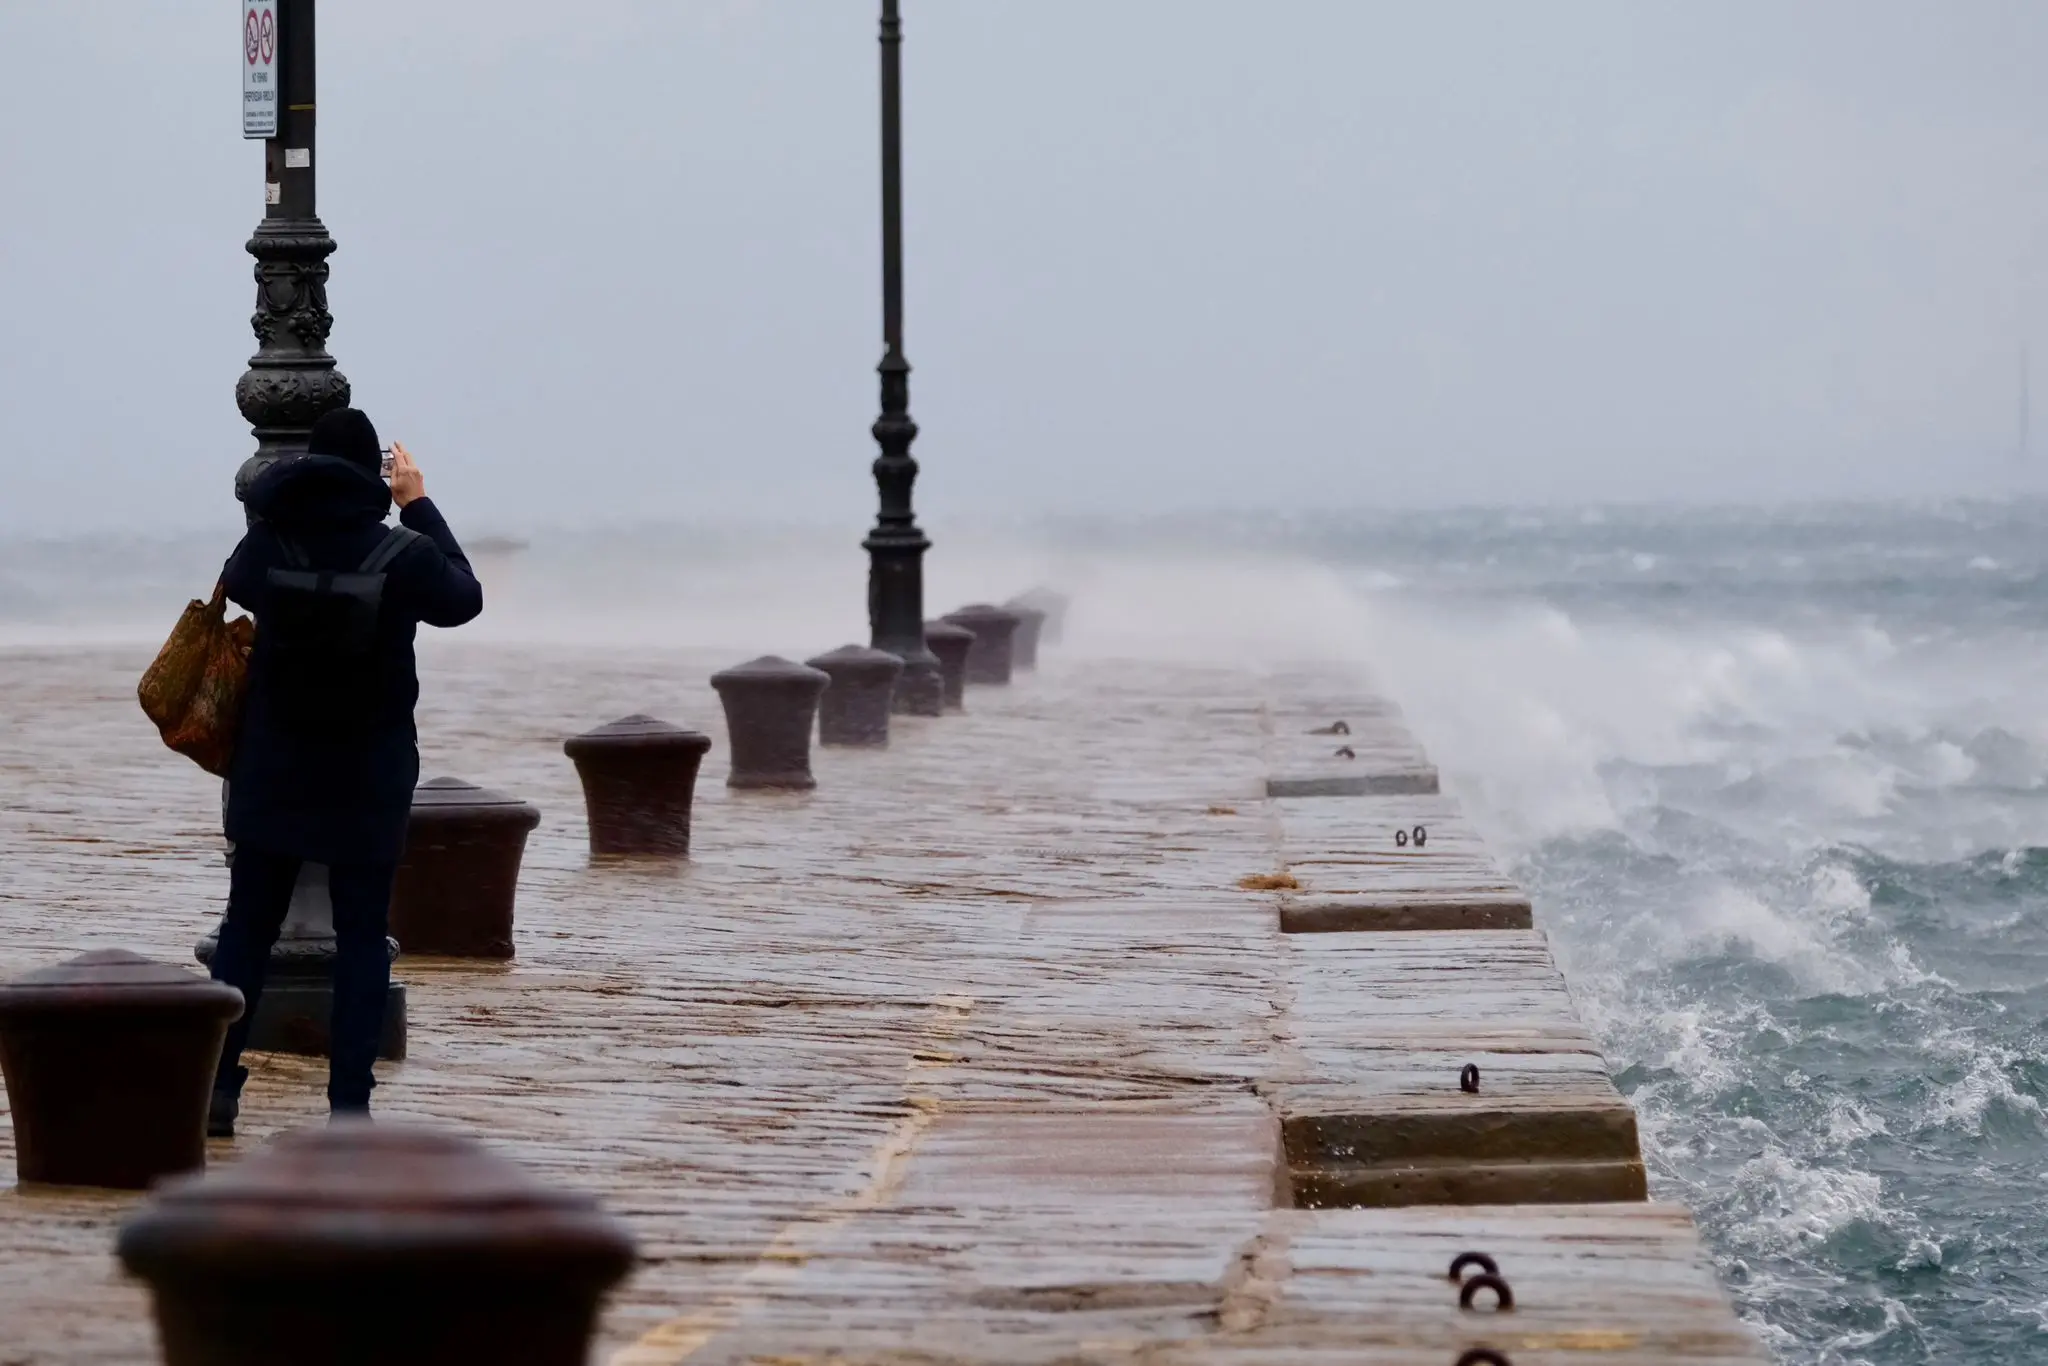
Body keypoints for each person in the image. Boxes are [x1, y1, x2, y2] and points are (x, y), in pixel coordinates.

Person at [207, 407, 482, 1135]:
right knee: (362, 937)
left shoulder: (268, 544)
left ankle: (218, 1090)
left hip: (274, 765)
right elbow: (465, 598)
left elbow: (236, 584)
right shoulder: (403, 555)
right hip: (368, 771)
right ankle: (350, 1110)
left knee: (247, 929)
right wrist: (416, 502)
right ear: (374, 475)